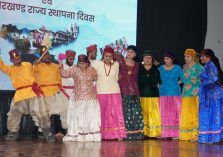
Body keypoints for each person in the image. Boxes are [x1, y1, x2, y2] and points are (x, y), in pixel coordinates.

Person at [0, 49, 53, 142]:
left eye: (18, 57)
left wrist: (36, 65)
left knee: (42, 111)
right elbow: (1, 66)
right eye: (14, 59)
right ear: (11, 60)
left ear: (20, 57)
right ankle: (13, 132)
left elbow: (36, 71)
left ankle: (47, 131)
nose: (17, 59)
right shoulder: (10, 69)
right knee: (13, 112)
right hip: (20, 95)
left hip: (32, 92)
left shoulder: (28, 65)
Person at [60, 54, 101, 142]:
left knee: (91, 117)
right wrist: (60, 65)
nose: (80, 65)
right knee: (80, 117)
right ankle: (80, 135)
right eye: (79, 63)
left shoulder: (92, 70)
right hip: (78, 97)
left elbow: (96, 77)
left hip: (91, 97)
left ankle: (91, 135)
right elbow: (64, 74)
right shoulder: (75, 69)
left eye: (82, 63)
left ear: (87, 63)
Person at [33, 46, 68, 139]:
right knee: (43, 113)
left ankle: (66, 129)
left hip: (56, 92)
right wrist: (34, 65)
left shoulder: (55, 66)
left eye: (48, 54)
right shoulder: (37, 66)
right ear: (41, 57)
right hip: (44, 94)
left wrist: (61, 65)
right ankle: (42, 131)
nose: (47, 56)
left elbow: (61, 75)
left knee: (65, 108)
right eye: (44, 55)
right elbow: (32, 73)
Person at [92, 46, 127, 140]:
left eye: (110, 56)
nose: (108, 58)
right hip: (101, 92)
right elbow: (91, 74)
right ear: (103, 55)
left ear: (113, 56)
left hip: (114, 91)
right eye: (106, 56)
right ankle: (101, 134)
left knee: (115, 113)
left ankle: (117, 134)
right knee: (101, 113)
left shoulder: (116, 64)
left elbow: (116, 78)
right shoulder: (97, 64)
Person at [116, 45, 144, 140]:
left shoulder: (137, 65)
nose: (129, 53)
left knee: (136, 113)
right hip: (123, 91)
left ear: (135, 54)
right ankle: (124, 134)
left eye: (132, 52)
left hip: (135, 92)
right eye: (128, 51)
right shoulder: (120, 61)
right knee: (125, 112)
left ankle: (137, 134)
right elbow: (112, 54)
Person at [198, 49, 223, 143]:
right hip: (210, 94)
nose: (200, 58)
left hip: (212, 95)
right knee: (210, 114)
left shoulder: (210, 65)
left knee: (211, 114)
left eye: (202, 56)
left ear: (208, 57)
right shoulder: (208, 65)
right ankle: (211, 137)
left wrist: (202, 81)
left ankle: (212, 137)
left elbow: (214, 79)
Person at [179, 49, 203, 141]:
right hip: (186, 93)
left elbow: (203, 79)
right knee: (186, 113)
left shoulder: (198, 67)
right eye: (185, 56)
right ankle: (187, 134)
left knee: (194, 113)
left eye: (188, 56)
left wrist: (195, 82)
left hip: (195, 93)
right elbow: (183, 79)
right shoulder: (184, 66)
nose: (186, 58)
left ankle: (195, 135)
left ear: (193, 57)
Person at [159, 51, 183, 138]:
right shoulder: (161, 68)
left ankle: (175, 133)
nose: (166, 60)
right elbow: (157, 78)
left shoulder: (177, 68)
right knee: (164, 112)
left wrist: (176, 83)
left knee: (174, 113)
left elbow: (183, 78)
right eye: (165, 58)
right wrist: (159, 85)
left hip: (174, 93)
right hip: (163, 93)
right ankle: (164, 133)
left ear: (172, 59)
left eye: (168, 59)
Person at [138, 50, 162, 138]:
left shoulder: (155, 68)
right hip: (142, 94)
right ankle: (143, 132)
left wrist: (150, 79)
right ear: (143, 58)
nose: (147, 59)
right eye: (146, 58)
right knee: (143, 114)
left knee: (153, 114)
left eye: (149, 58)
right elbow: (137, 80)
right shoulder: (139, 67)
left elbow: (158, 80)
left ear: (152, 59)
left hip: (153, 95)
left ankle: (153, 133)